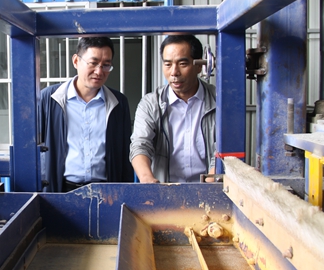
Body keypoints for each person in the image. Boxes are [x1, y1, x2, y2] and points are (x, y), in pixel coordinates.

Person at [39, 37, 133, 193]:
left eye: (106, 65)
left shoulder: (118, 102)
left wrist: (124, 193)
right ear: (76, 61)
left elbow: (125, 155)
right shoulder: (49, 99)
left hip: (106, 193)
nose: (99, 71)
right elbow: (34, 148)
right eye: (93, 63)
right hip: (60, 191)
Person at [130, 34, 216, 183]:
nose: (174, 72)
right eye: (168, 64)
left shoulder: (218, 100)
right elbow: (140, 145)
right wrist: (147, 178)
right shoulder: (151, 103)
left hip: (209, 188)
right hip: (164, 189)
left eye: (182, 64)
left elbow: (224, 151)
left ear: (199, 65)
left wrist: (208, 187)